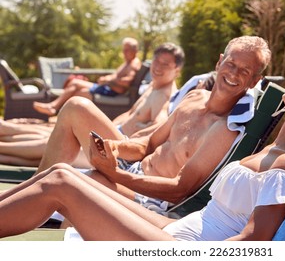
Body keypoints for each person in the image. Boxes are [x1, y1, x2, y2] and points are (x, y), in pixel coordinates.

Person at [0, 76, 285, 240]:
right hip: (179, 228)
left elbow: (255, 242)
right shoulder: (274, 149)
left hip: (183, 246)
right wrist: (116, 167)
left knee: (61, 184)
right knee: (67, 172)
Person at [34, 36, 271, 213]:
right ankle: (33, 192)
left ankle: (49, 220)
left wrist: (113, 173)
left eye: (245, 70)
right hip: (133, 169)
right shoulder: (194, 98)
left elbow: (179, 189)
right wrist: (114, 149)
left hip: (150, 198)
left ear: (254, 81)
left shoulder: (225, 130)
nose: (234, 73)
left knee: (88, 180)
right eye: (231, 64)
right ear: (220, 62)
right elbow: (148, 145)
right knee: (77, 106)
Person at [0, 42, 185, 167]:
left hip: (114, 149)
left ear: (177, 70)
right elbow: (130, 113)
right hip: (111, 133)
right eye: (156, 61)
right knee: (49, 133)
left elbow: (160, 126)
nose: (158, 67)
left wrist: (137, 135)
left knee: (51, 143)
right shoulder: (154, 86)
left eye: (165, 64)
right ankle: (3, 131)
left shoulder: (165, 96)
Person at [33, 37, 142, 117]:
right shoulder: (128, 62)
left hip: (111, 91)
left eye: (126, 50)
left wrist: (108, 80)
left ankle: (53, 107)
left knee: (75, 83)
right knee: (79, 93)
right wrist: (107, 78)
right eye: (123, 49)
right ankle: (60, 112)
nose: (124, 52)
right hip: (108, 88)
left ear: (134, 50)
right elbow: (117, 76)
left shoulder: (133, 63)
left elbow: (127, 81)